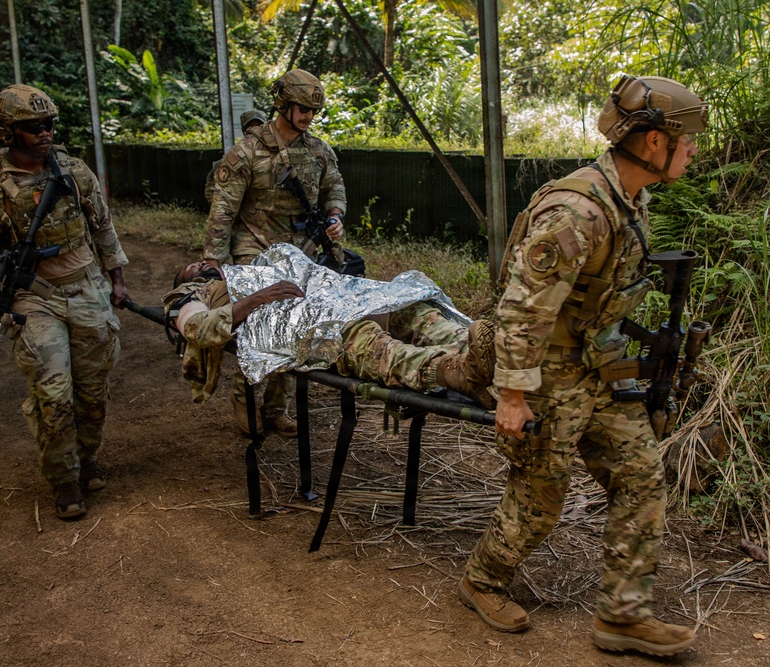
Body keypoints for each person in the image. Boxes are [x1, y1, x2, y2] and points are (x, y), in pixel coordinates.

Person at [459, 75, 708, 656]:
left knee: (641, 475)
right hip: (547, 371)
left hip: (596, 367)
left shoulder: (631, 200)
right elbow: (522, 308)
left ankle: (623, 615)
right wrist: (513, 396)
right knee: (542, 494)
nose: (694, 150)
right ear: (654, 142)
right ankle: (482, 580)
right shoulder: (578, 212)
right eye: (688, 140)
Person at [0, 84, 129, 521]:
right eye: (34, 127)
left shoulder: (74, 171)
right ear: (9, 132)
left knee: (93, 392)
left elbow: (102, 226)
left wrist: (117, 280)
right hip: (33, 298)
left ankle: (87, 459)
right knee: (54, 393)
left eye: (49, 124)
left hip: (86, 288)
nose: (45, 132)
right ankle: (64, 478)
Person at [202, 69, 347, 438]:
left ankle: (276, 408)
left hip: (300, 249)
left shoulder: (318, 151)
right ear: (283, 104)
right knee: (258, 320)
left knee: (296, 325)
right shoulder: (248, 151)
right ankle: (244, 396)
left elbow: (334, 187)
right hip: (255, 246)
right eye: (303, 109)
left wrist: (335, 216)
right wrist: (214, 262)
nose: (309, 117)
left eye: (314, 111)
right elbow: (223, 209)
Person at [160, 261, 495, 412]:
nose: (200, 264)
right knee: (368, 344)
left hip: (336, 299)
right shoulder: (191, 295)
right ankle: (458, 372)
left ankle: (484, 352)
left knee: (411, 309)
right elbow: (196, 327)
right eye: (191, 267)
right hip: (304, 322)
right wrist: (257, 299)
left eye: (202, 261)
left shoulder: (252, 267)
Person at [203, 109, 268, 203]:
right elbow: (212, 190)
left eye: (259, 126)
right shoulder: (234, 155)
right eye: (250, 127)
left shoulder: (277, 154)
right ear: (244, 130)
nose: (255, 130)